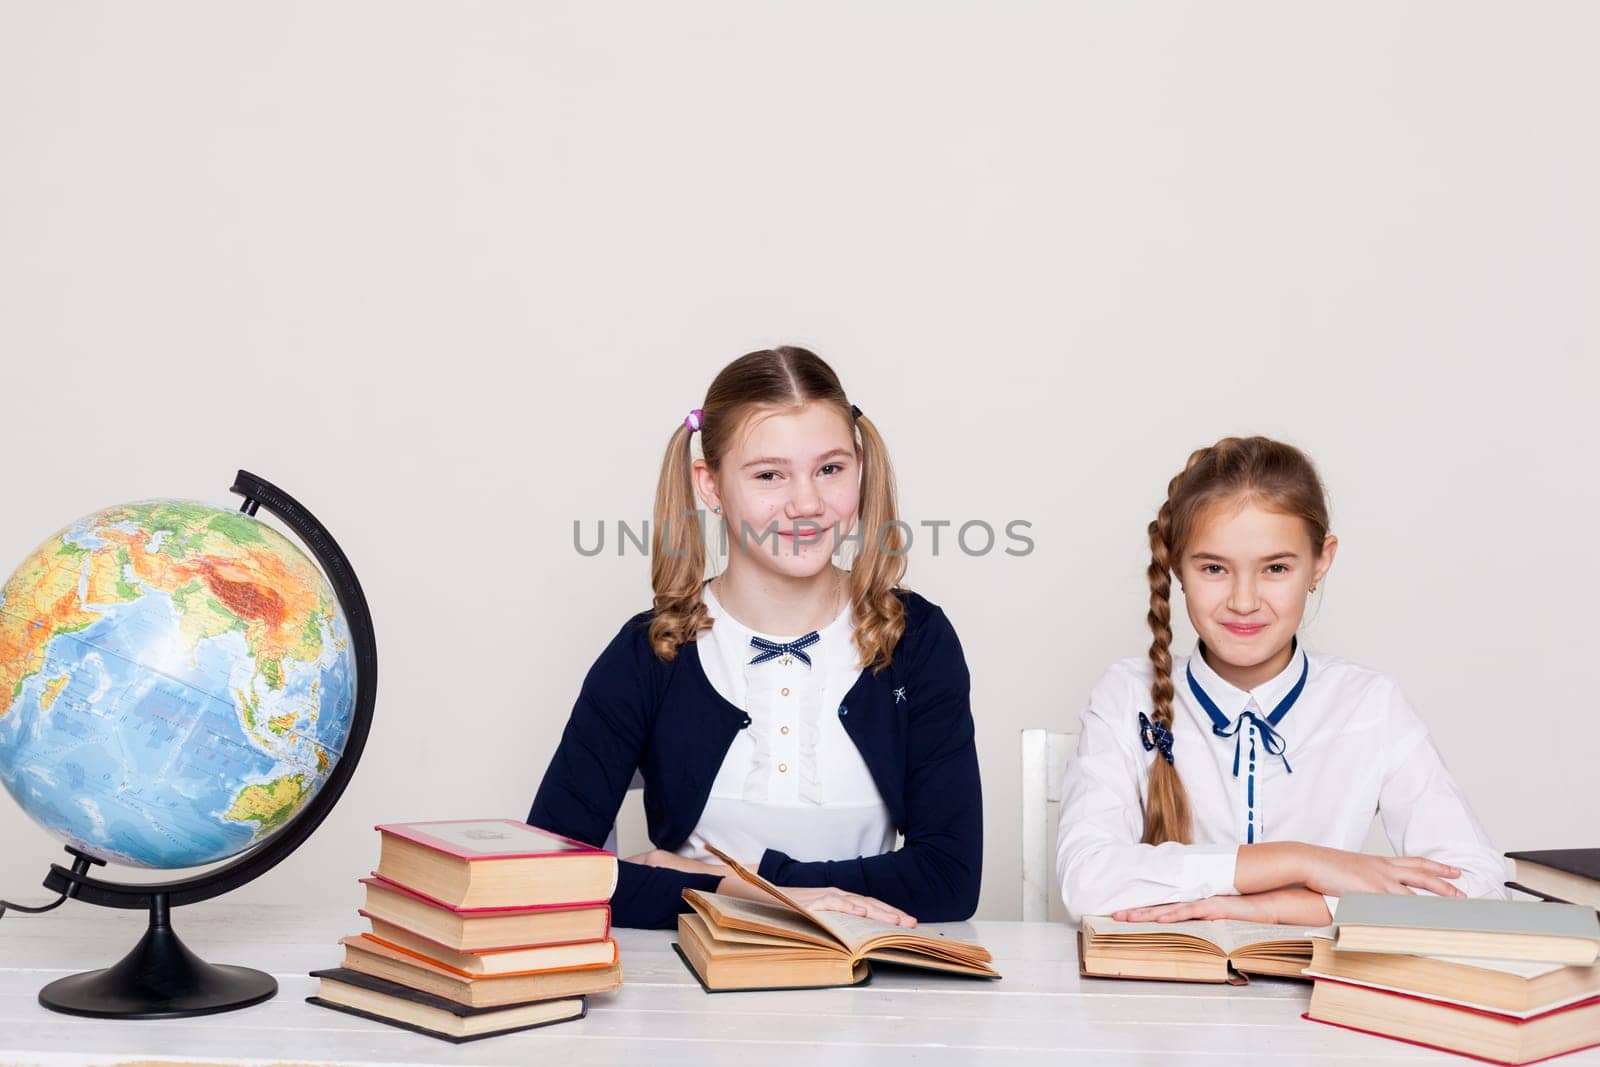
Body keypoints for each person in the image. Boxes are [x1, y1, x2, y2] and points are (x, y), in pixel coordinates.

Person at [530, 346, 982, 929]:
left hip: (872, 988)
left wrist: (734, 882)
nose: (807, 504)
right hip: (688, 986)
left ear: (861, 469)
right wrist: (735, 893)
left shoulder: (917, 641)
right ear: (711, 486)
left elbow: (949, 880)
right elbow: (543, 869)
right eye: (769, 475)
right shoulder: (650, 652)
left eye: (830, 469)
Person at [1056, 435, 1508, 926]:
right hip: (1157, 996)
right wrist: (1301, 860)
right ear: (1176, 566)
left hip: (1318, 994)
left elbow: (1478, 888)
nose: (1244, 601)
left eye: (1275, 568)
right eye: (1213, 568)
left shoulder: (1369, 704)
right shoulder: (1127, 694)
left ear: (1320, 562)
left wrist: (1281, 907)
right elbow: (1086, 880)